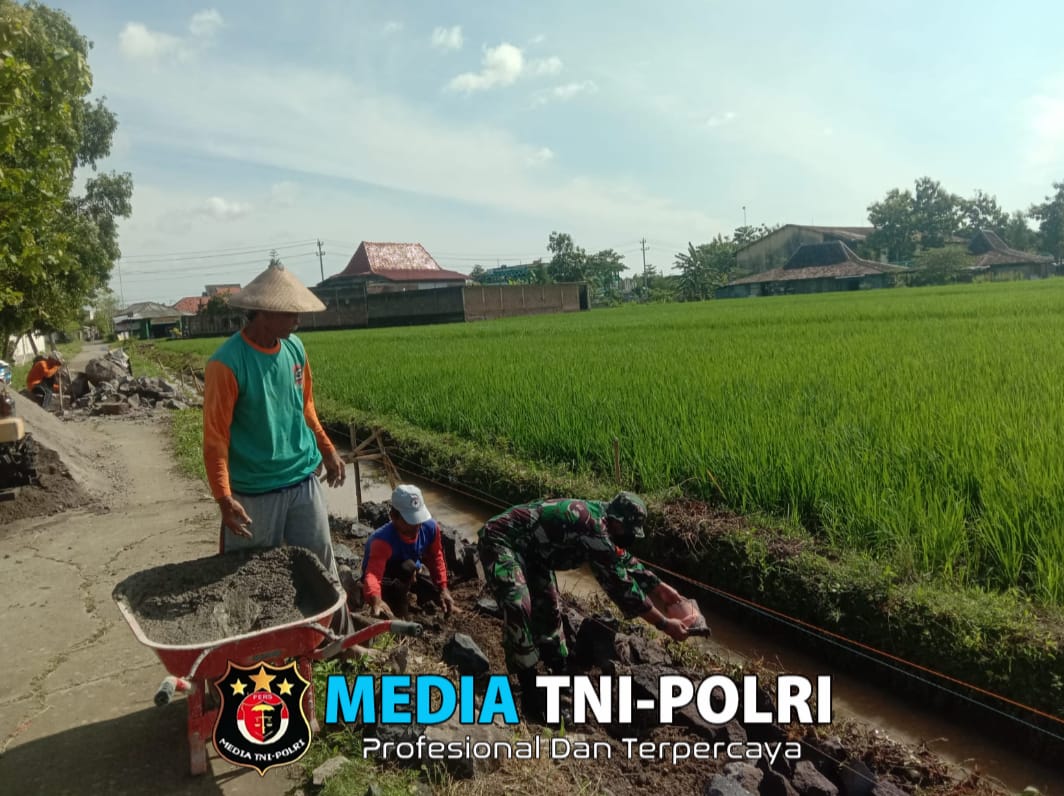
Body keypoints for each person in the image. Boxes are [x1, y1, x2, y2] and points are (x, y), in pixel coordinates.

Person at [478, 491, 691, 723]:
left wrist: (660, 588)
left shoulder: (606, 520)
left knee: (549, 607)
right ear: (618, 521)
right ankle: (530, 692)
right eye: (629, 531)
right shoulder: (592, 527)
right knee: (518, 606)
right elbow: (624, 589)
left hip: (533, 552)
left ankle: (558, 671)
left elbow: (622, 557)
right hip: (502, 541)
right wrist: (665, 624)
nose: (630, 537)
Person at [202, 261, 346, 581]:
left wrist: (327, 448)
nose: (297, 321)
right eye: (290, 313)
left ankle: (331, 629)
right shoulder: (226, 364)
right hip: (254, 493)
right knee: (249, 576)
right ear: (263, 312)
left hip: (303, 480)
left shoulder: (295, 349)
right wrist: (224, 498)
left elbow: (304, 405)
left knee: (321, 569)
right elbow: (216, 438)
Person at [357, 484, 456, 618]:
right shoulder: (382, 541)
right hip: (386, 575)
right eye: (411, 520)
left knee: (431, 584)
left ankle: (435, 599)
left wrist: (443, 587)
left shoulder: (430, 528)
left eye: (418, 519)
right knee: (398, 615)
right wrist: (375, 599)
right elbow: (373, 575)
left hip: (411, 565)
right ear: (393, 516)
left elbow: (435, 556)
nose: (416, 526)